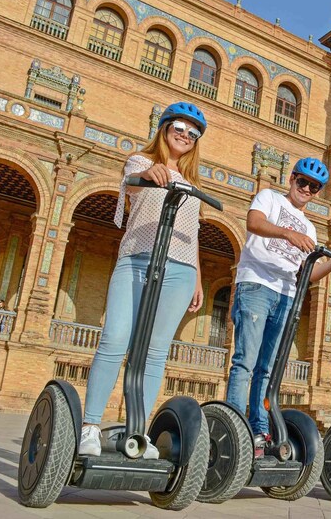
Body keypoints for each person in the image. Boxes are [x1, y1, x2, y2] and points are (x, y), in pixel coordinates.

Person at [79, 102, 207, 458]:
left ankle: (138, 432)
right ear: (165, 128)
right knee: (116, 337)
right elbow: (133, 188)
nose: (185, 135)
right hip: (137, 259)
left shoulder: (194, 182)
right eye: (179, 127)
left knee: (155, 351)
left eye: (192, 133)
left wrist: (197, 277)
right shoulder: (140, 161)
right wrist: (152, 173)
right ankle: (90, 426)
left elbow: (192, 233)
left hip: (180, 271)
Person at [225, 157, 331, 455]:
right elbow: (253, 223)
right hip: (256, 284)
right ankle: (232, 424)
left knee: (268, 367)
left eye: (314, 187)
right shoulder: (269, 198)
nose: (306, 189)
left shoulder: (310, 227)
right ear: (291, 179)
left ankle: (259, 429)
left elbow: (305, 273)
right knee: (245, 361)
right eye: (302, 181)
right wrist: (287, 233)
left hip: (287, 294)